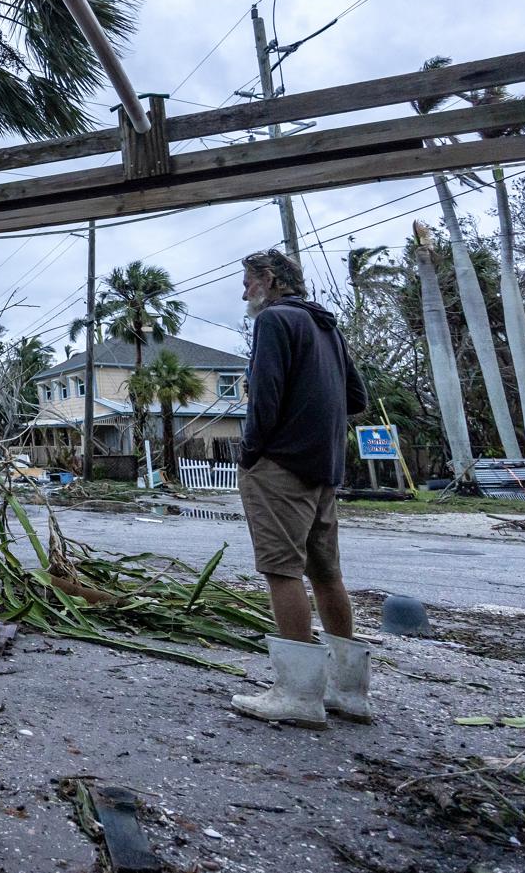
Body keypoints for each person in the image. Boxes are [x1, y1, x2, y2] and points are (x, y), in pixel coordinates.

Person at [231, 248, 371, 729]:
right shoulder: (325, 325)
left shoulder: (274, 322)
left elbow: (264, 398)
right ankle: (349, 693)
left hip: (280, 467)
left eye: (247, 281)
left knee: (281, 569)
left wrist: (251, 451)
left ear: (269, 280)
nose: (244, 291)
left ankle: (297, 695)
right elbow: (357, 397)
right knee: (327, 574)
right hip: (323, 466)